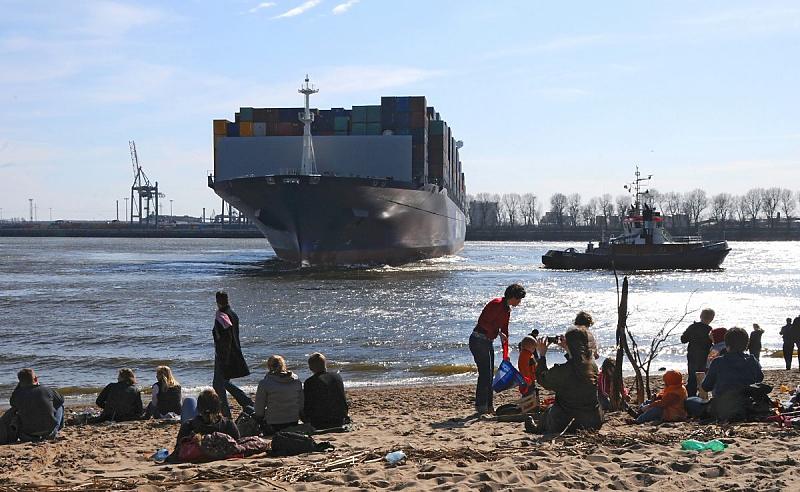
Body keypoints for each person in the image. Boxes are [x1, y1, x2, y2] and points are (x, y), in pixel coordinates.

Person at [469, 283, 526, 415]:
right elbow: (482, 321)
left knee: (489, 374)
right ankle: (482, 406)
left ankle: (488, 406)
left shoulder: (507, 310)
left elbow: (505, 329)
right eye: (518, 299)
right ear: (512, 297)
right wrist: (497, 331)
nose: (519, 302)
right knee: (485, 374)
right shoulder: (496, 303)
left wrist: (506, 349)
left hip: (487, 341)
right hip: (478, 339)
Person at [532, 327, 602, 433]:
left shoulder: (563, 370)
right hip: (593, 421)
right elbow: (578, 363)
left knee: (549, 411)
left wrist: (542, 355)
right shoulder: (592, 366)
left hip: (566, 422)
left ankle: (537, 429)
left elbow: (543, 379)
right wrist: (569, 350)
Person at [701, 327, 764, 422]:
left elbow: (706, 387)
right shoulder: (751, 360)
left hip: (722, 406)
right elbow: (760, 378)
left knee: (692, 401)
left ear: (727, 344)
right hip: (746, 404)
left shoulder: (718, 362)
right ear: (746, 345)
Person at [168, 389, 240, 462]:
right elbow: (237, 445)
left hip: (194, 457)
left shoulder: (188, 426)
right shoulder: (228, 425)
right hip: (223, 456)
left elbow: (178, 450)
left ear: (198, 409)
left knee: (189, 401)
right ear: (218, 407)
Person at [212, 291, 253, 419]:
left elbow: (226, 334)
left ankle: (229, 413)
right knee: (223, 382)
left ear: (217, 301)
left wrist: (223, 356)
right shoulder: (233, 314)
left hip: (224, 355)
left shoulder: (221, 315)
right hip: (234, 352)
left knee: (218, 384)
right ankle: (244, 403)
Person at [2, 369, 64, 443]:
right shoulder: (46, 390)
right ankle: (58, 427)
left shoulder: (17, 395)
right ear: (35, 378)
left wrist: (19, 388)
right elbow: (61, 400)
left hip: (26, 435)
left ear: (20, 382)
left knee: (15, 410)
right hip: (50, 432)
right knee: (60, 406)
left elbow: (12, 403)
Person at [253, 355, 303, 434]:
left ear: (269, 367)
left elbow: (259, 410)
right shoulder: (296, 381)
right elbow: (301, 404)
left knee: (249, 409)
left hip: (273, 423)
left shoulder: (265, 383)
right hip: (293, 421)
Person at [302, 353, 349, 430]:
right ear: (325, 364)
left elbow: (307, 405)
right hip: (339, 420)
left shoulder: (309, 382)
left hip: (319, 423)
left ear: (310, 368)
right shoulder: (337, 377)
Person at [680, 308, 714, 397]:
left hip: (692, 354)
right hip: (704, 356)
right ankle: (702, 395)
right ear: (711, 319)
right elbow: (712, 344)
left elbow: (683, 339)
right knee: (702, 376)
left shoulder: (693, 327)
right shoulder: (710, 330)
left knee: (692, 376)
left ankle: (691, 396)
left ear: (700, 316)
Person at [517, 330, 537, 396]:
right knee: (528, 394)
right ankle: (527, 405)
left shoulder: (529, 354)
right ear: (528, 347)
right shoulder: (524, 356)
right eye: (533, 348)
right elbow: (524, 368)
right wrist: (528, 380)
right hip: (527, 381)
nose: (534, 350)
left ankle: (531, 404)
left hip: (530, 380)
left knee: (532, 393)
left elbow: (533, 366)